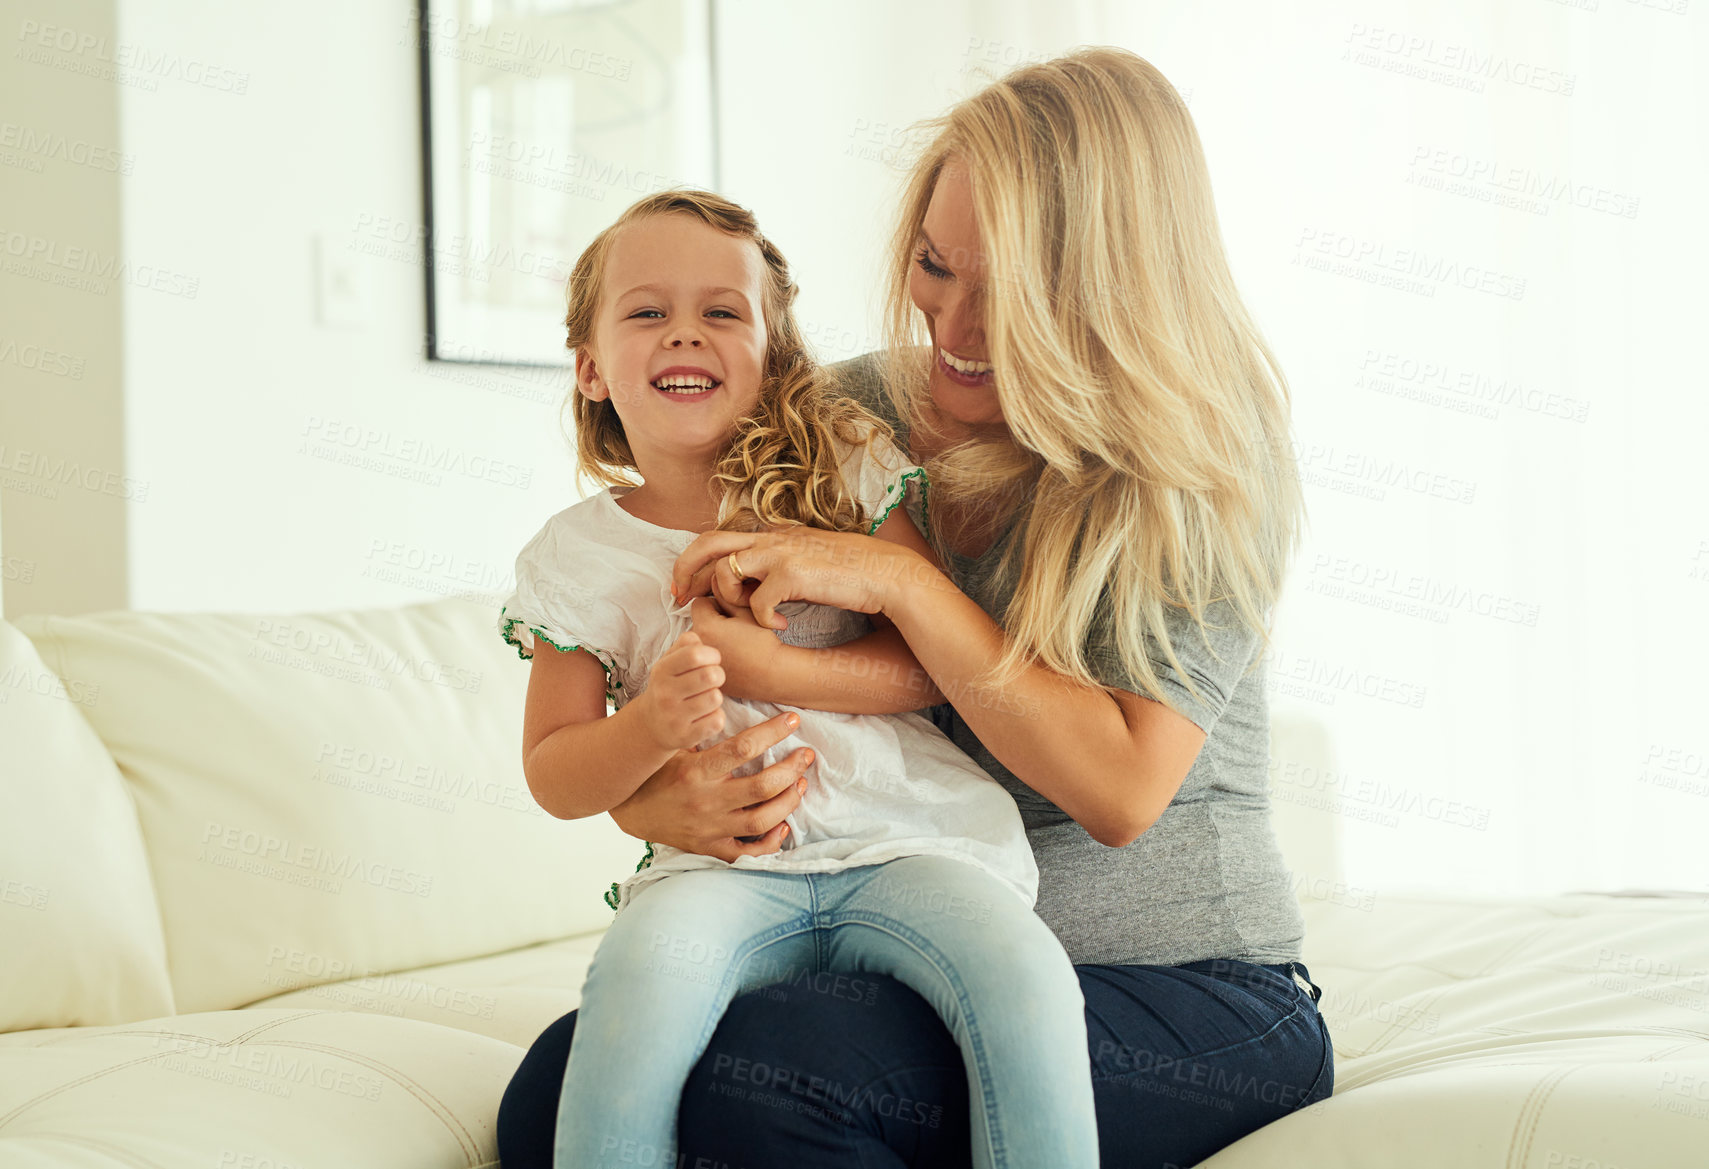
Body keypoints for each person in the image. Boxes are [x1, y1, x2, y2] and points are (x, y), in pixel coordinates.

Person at [499, 45, 1335, 1169]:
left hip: (1187, 988)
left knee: (781, 1084)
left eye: (1009, 290)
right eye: (936, 265)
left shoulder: (1200, 460)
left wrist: (900, 580)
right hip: (863, 939)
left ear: (1109, 288)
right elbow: (660, 665)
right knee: (555, 1088)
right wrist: (660, 802)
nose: (951, 321)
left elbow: (1119, 789)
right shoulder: (846, 416)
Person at [496, 187, 1100, 1169]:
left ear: (774, 354)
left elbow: (924, 671)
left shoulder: (846, 469)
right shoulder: (574, 557)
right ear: (590, 369)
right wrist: (651, 722)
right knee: (635, 989)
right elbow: (556, 771)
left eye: (721, 312)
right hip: (722, 874)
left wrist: (774, 665)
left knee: (1024, 975)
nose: (683, 333)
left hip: (905, 839)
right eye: (646, 312)